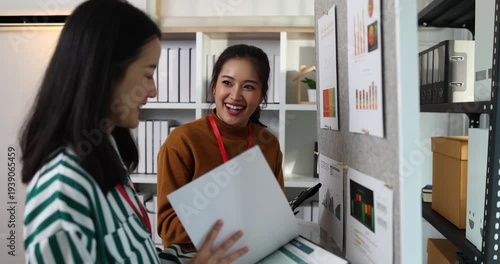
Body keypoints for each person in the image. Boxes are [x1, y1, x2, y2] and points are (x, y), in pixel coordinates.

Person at [20, 0, 247, 263]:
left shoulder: (106, 155)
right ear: (105, 71)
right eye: (148, 74)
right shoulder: (62, 191)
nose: (152, 91)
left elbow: (139, 255)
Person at [157, 44, 285, 252]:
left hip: (253, 253)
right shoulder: (182, 141)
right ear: (214, 87)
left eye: (249, 87)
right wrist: (234, 215)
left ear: (262, 95)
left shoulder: (268, 144)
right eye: (227, 83)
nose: (235, 96)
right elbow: (168, 227)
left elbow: (276, 218)